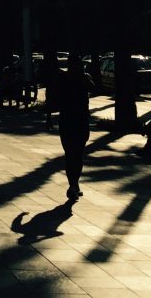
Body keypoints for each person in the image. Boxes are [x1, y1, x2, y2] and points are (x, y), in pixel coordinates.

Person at [58, 53, 93, 200]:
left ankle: (74, 184)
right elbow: (54, 96)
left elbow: (93, 87)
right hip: (74, 121)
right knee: (75, 155)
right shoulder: (64, 78)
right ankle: (73, 184)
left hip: (74, 121)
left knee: (73, 155)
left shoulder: (83, 78)